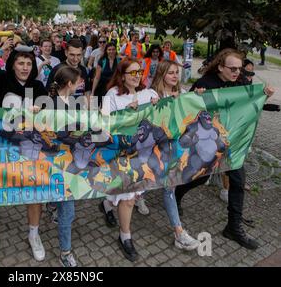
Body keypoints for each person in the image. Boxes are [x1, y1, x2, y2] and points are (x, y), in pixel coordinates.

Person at [175, 48, 275, 250]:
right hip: (208, 143)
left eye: (239, 69)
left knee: (238, 181)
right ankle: (177, 194)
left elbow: (251, 103)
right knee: (201, 177)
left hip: (232, 145)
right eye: (232, 68)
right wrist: (196, 96)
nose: (237, 72)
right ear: (221, 66)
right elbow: (187, 108)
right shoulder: (206, 83)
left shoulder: (241, 83)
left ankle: (233, 226)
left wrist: (265, 96)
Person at [0, 34, 48, 262]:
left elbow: (49, 112)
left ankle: (34, 234)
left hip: (30, 150)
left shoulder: (38, 86)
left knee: (35, 194)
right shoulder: (2, 81)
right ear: (12, 64)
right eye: (20, 63)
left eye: (29, 63)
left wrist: (44, 108)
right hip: (3, 148)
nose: (25, 67)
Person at [99, 59, 159, 262]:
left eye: (139, 71)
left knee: (126, 194)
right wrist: (125, 115)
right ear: (122, 75)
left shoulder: (149, 94)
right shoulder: (112, 96)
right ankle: (125, 236)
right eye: (131, 72)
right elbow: (104, 124)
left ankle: (106, 205)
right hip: (122, 155)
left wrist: (157, 107)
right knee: (128, 198)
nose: (136, 75)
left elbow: (166, 114)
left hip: (143, 154)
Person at [148, 60, 202, 250]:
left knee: (169, 188)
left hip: (174, 151)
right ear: (162, 74)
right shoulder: (152, 95)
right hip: (152, 151)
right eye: (170, 72)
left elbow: (192, 113)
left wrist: (198, 99)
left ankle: (179, 233)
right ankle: (114, 202)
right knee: (140, 184)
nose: (174, 76)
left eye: (176, 73)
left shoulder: (183, 94)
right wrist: (154, 105)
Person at [47, 65, 83, 267]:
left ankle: (52, 204)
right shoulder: (49, 105)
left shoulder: (76, 103)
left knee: (65, 206)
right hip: (56, 165)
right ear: (70, 84)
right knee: (68, 212)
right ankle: (65, 253)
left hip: (72, 163)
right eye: (78, 82)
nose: (80, 85)